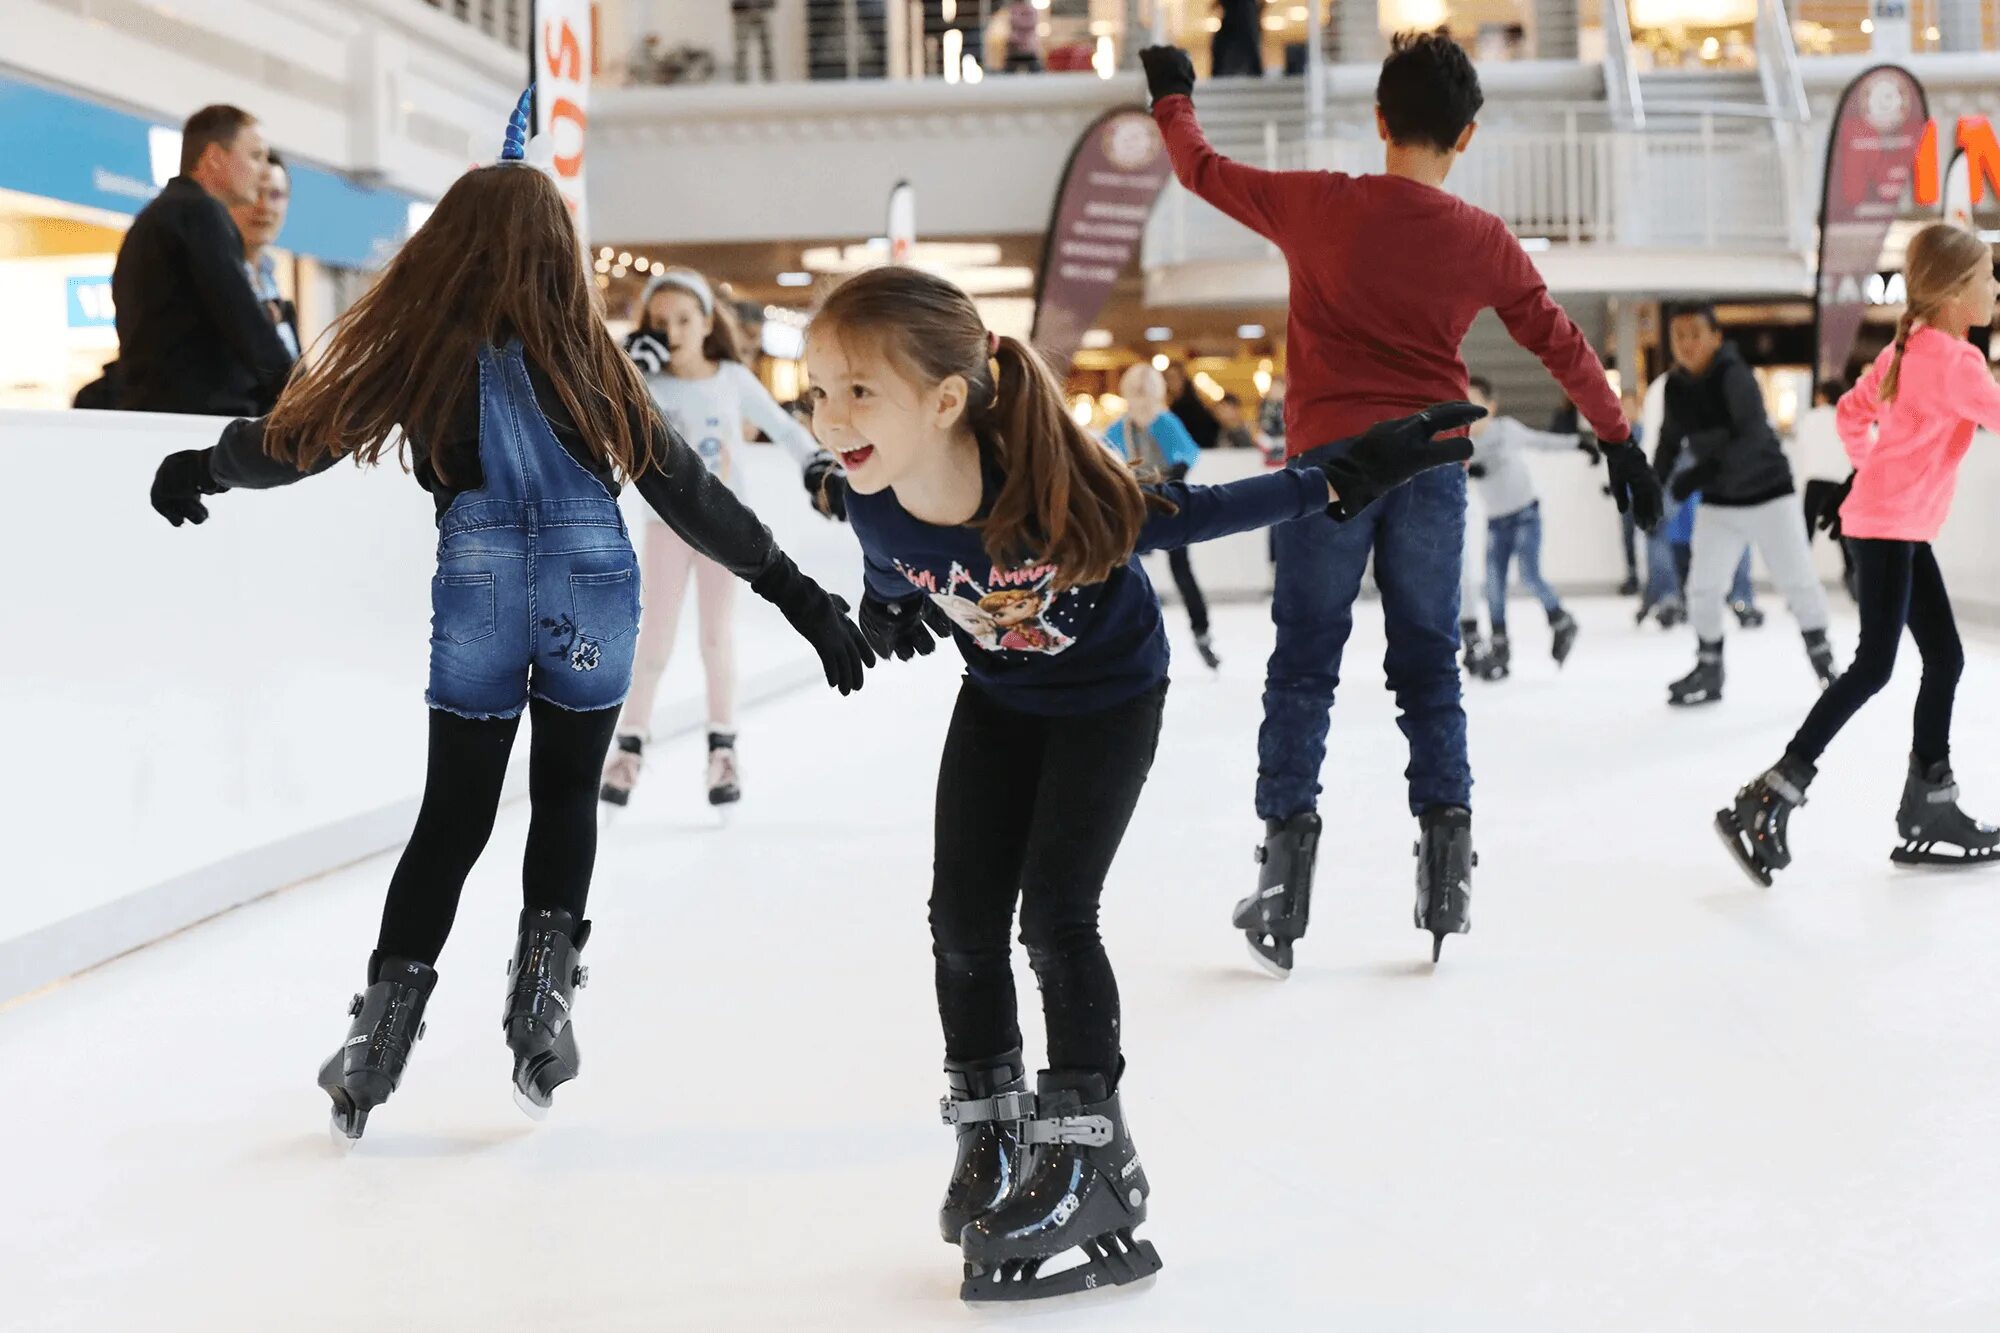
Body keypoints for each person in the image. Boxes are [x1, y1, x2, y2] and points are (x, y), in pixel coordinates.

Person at [144, 93, 871, 1140]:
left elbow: (294, 444)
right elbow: (688, 495)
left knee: (454, 817)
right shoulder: (594, 365)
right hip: (592, 591)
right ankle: (541, 1009)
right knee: (568, 792)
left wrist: (205, 464)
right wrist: (798, 595)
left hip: (479, 589)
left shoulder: (422, 359)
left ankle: (377, 1042)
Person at [808, 265, 1474, 1301]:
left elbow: (1199, 511)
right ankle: (993, 1136)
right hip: (999, 700)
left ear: (944, 401)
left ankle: (1089, 1158)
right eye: (817, 392)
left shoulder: (1050, 491)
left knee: (1055, 916)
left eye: (857, 392)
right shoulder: (872, 502)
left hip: (1108, 701)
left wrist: (1340, 476)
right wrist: (884, 607)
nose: (827, 417)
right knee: (958, 922)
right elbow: (893, 562)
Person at [1140, 35, 1663, 968]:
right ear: (1465, 136)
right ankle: (1447, 872)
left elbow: (1202, 171)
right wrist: (1619, 438)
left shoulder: (1318, 204)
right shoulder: (1482, 239)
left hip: (1326, 475)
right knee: (1429, 667)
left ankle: (1282, 882)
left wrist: (1173, 95)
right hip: (1432, 469)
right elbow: (1560, 340)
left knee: (1304, 664)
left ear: (1379, 119)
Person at [1717, 223, 2000, 885]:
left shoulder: (1910, 347)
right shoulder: (1954, 362)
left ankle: (1930, 799)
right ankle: (1771, 793)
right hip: (1889, 526)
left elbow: (1850, 413)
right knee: (1874, 667)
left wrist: (1876, 473)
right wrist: (1884, 483)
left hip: (1888, 524)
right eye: (1988, 276)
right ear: (1958, 294)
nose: (1996, 286)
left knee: (1945, 658)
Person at [600, 268, 844, 813]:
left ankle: (723, 748)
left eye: (684, 319)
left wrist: (816, 466)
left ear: (707, 322)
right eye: (660, 322)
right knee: (655, 640)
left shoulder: (732, 379)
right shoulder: (648, 388)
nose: (674, 330)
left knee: (716, 639)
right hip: (665, 529)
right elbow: (604, 430)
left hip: (725, 531)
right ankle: (630, 747)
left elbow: (784, 429)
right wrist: (628, 371)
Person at [1654, 304, 1834, 707]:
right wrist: (1653, 486)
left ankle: (1825, 667)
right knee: (1702, 589)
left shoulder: (1735, 376)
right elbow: (1669, 442)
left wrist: (1695, 477)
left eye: (1695, 334)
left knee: (1799, 582)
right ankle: (1709, 668)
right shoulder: (1675, 387)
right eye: (1679, 336)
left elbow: (1749, 438)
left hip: (1770, 495)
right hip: (1721, 503)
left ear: (1716, 337)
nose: (1686, 344)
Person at [111, 104, 294, 415]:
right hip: (196, 424)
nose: (263, 171)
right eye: (255, 156)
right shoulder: (199, 214)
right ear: (214, 158)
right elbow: (243, 320)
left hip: (161, 416)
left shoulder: (158, 218)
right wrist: (303, 393)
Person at [1460, 375, 1594, 680]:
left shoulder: (1505, 430)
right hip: (1496, 523)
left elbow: (1541, 441)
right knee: (1493, 586)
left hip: (1525, 515)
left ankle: (1560, 619)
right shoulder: (1462, 445)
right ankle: (1499, 648)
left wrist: (1578, 443)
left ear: (1490, 407)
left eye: (1473, 404)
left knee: (1529, 574)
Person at [1105, 362, 1220, 669]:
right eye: (1136, 391)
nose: (1141, 397)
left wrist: (1173, 479)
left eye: (1145, 391)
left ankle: (1202, 632)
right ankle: (1122, 634)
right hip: (1134, 505)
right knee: (1122, 567)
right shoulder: (1123, 427)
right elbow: (1104, 454)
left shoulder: (1165, 422)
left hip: (1168, 505)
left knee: (1180, 568)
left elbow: (1187, 455)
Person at [228, 148, 300, 368]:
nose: (265, 206)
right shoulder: (218, 275)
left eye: (276, 195)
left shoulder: (269, 278)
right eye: (256, 192)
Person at [1163, 361, 1221, 449]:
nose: (1171, 382)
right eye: (1167, 378)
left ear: (1183, 379)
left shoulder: (1190, 407)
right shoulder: (1176, 406)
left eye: (1174, 377)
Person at [731, 0, 775, 83]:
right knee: (741, 48)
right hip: (742, 9)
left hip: (762, 9)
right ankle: (740, 80)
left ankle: (769, 79)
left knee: (766, 47)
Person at [1003, 0, 1043, 72]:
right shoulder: (1014, 8)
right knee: (1009, 69)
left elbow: (1032, 22)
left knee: (1035, 69)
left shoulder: (1031, 9)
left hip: (1029, 45)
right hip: (1015, 45)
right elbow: (1013, 21)